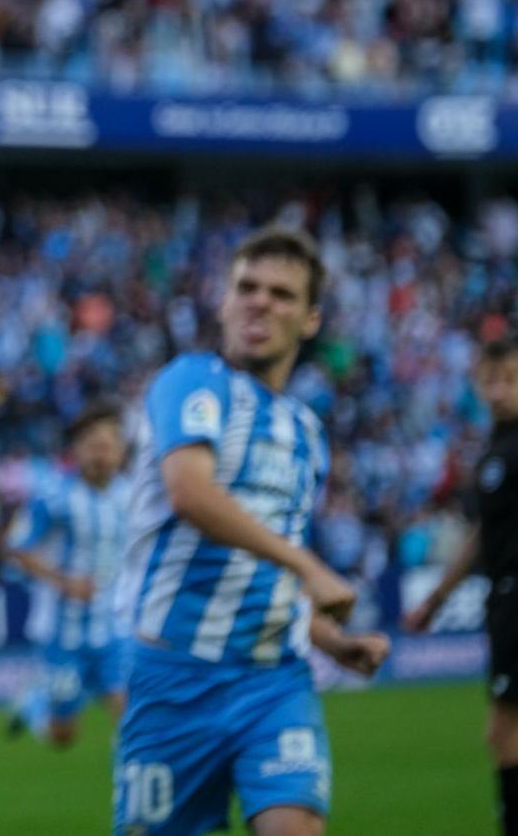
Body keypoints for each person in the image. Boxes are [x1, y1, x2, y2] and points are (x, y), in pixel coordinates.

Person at [113, 226, 391, 836]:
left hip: (273, 680)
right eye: (247, 287)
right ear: (223, 301)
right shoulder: (191, 380)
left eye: (282, 294)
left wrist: (330, 641)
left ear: (311, 318)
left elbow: (258, 574)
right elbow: (191, 493)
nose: (260, 302)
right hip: (173, 681)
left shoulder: (306, 433)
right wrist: (307, 564)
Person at [403, 331, 518, 836]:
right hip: (504, 597)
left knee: (510, 733)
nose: (499, 388)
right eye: (489, 380)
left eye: (509, 378)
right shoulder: (494, 452)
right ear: (478, 386)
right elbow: (483, 538)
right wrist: (437, 599)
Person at [3, 401, 131, 749]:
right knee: (63, 736)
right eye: (93, 446)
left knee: (129, 713)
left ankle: (132, 792)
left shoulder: (130, 494)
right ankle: (33, 703)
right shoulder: (54, 496)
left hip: (114, 629)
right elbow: (16, 548)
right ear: (78, 450)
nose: (101, 455)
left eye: (108, 446)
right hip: (64, 633)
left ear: (121, 451)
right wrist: (64, 582)